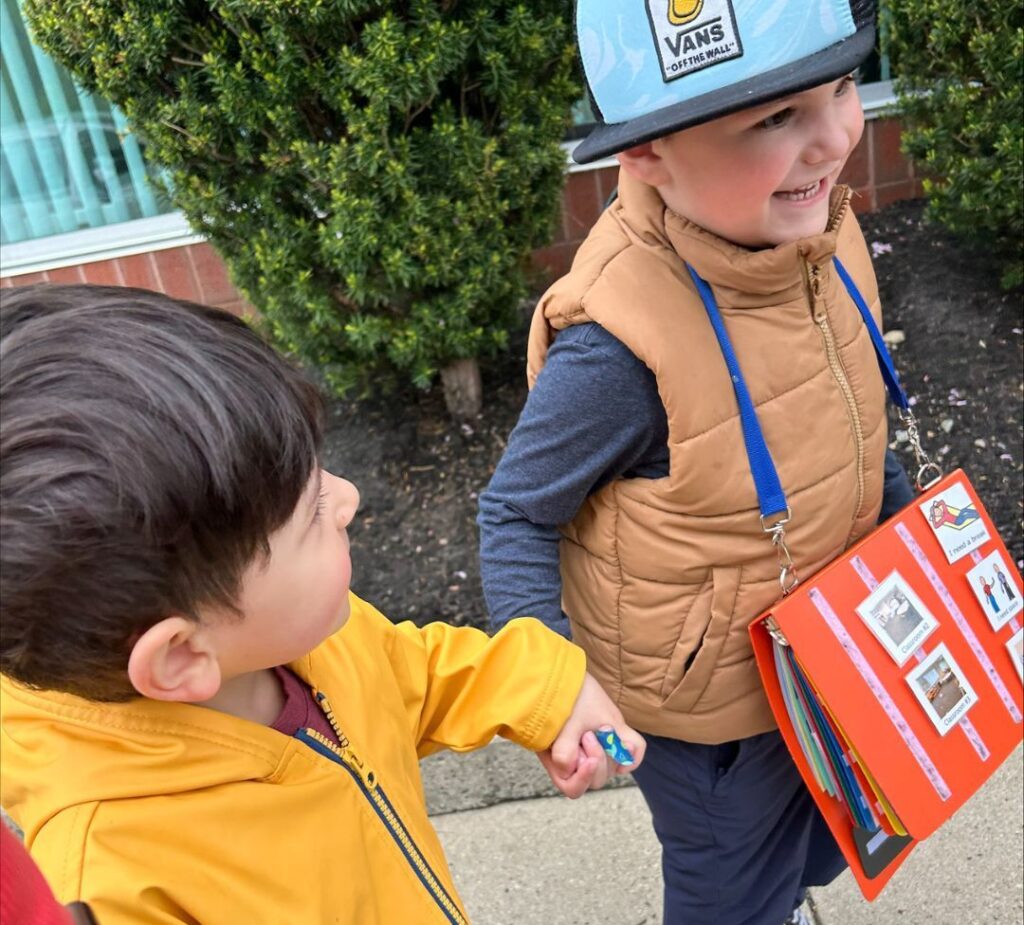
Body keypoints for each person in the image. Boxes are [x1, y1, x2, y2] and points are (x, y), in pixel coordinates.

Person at [0, 285, 645, 925]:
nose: (349, 498)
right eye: (311, 513)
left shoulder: (296, 637)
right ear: (181, 655)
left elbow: (404, 673)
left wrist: (544, 690)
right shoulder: (114, 883)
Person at [478, 3, 916, 924]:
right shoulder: (617, 344)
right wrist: (554, 685)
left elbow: (851, 403)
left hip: (822, 647)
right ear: (647, 155)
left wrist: (908, 535)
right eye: (773, 118)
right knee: (729, 885)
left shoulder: (818, 230)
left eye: (841, 88)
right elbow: (515, 512)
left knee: (823, 830)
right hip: (710, 712)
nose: (834, 137)